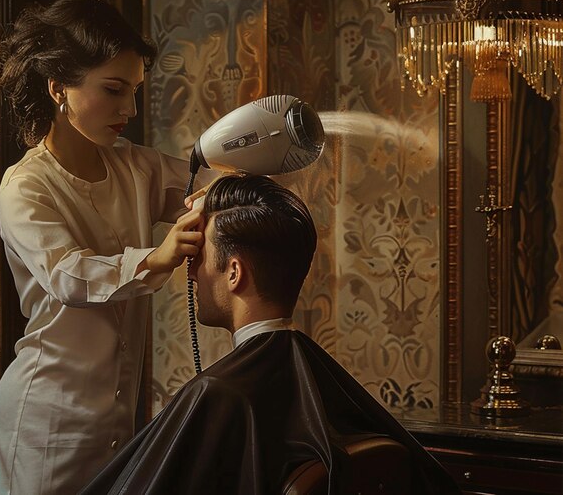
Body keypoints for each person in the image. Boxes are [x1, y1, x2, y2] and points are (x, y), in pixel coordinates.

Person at [0, 0, 213, 495]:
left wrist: (233, 169)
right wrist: (157, 256)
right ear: (59, 88)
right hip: (46, 421)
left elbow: (208, 184)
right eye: (113, 90)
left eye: (135, 91)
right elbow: (66, 276)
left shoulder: (134, 166)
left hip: (118, 423)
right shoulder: (26, 186)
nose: (130, 109)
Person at [81, 175, 461, 495]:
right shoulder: (322, 380)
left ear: (234, 272)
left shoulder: (218, 394)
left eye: (199, 257)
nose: (191, 271)